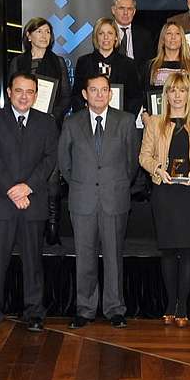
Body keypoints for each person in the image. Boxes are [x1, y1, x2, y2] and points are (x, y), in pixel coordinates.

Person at [0, 72, 58, 337]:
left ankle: (34, 313)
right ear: (9, 92)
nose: (24, 96)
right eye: (19, 91)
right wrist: (13, 189)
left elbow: (49, 159)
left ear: (36, 95)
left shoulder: (46, 122)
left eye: (30, 91)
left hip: (32, 202)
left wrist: (27, 187)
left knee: (33, 262)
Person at [59, 73, 140, 329]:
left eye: (104, 90)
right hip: (82, 199)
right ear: (85, 94)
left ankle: (115, 308)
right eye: (93, 90)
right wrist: (82, 185)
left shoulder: (125, 121)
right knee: (84, 256)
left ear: (110, 93)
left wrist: (114, 185)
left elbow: (132, 163)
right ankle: (85, 309)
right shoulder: (72, 123)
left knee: (114, 256)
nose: (99, 94)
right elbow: (64, 163)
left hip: (114, 198)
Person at [139, 72, 190, 328]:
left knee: (188, 252)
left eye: (182, 91)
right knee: (168, 252)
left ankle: (184, 305)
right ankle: (170, 304)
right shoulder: (155, 123)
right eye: (172, 90)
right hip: (165, 192)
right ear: (165, 94)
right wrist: (157, 168)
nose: (177, 95)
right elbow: (143, 156)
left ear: (188, 94)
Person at [8, 17, 71, 244]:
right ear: (29, 36)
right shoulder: (18, 62)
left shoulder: (58, 62)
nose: (45, 36)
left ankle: (52, 227)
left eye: (48, 32)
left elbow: (65, 97)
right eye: (39, 32)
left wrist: (52, 117)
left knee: (51, 177)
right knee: (24, 173)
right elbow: (13, 95)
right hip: (22, 129)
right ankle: (25, 223)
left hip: (49, 127)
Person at [71, 17, 143, 116]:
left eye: (110, 33)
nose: (106, 37)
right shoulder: (84, 62)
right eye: (101, 33)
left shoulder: (128, 64)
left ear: (116, 37)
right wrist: (85, 115)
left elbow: (135, 97)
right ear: (96, 37)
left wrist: (125, 120)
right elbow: (77, 95)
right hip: (89, 121)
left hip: (120, 123)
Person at [143, 22, 190, 96]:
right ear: (163, 39)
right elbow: (144, 95)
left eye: (177, 34)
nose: (173, 37)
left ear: (182, 39)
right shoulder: (151, 66)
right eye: (169, 33)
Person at [112, 0, 154, 71]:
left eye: (129, 9)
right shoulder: (106, 32)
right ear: (113, 10)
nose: (125, 13)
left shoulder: (145, 35)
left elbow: (149, 64)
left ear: (134, 12)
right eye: (121, 8)